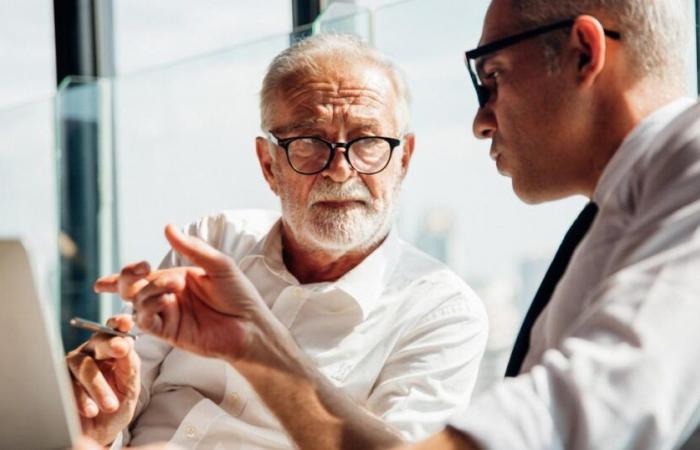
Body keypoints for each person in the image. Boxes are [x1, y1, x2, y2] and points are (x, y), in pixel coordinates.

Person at [82, 0, 700, 448]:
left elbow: (562, 422)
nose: (481, 122)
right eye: (309, 145)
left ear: (584, 53)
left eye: (492, 78)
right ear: (268, 164)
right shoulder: (624, 216)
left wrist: (251, 344)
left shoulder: (685, 183)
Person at [66, 34, 489, 449]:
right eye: (309, 143)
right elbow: (123, 401)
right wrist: (101, 420)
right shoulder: (212, 243)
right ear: (268, 165)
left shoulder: (442, 313)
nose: (340, 169)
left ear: (403, 160)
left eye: (368, 142)